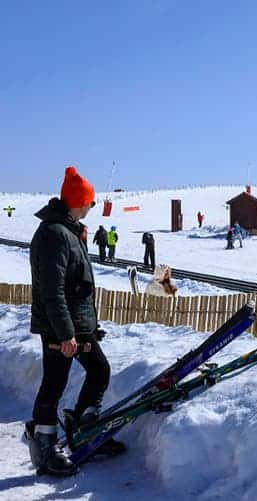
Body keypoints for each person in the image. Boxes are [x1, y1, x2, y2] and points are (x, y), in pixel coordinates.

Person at [26, 166, 125, 477]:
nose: (91, 207)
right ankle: (44, 446)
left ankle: (84, 426)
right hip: (59, 326)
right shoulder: (55, 234)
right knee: (54, 382)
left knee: (99, 370)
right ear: (77, 201)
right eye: (90, 202)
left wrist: (88, 327)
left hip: (73, 324)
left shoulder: (68, 230)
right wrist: (67, 333)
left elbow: (75, 285)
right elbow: (52, 290)